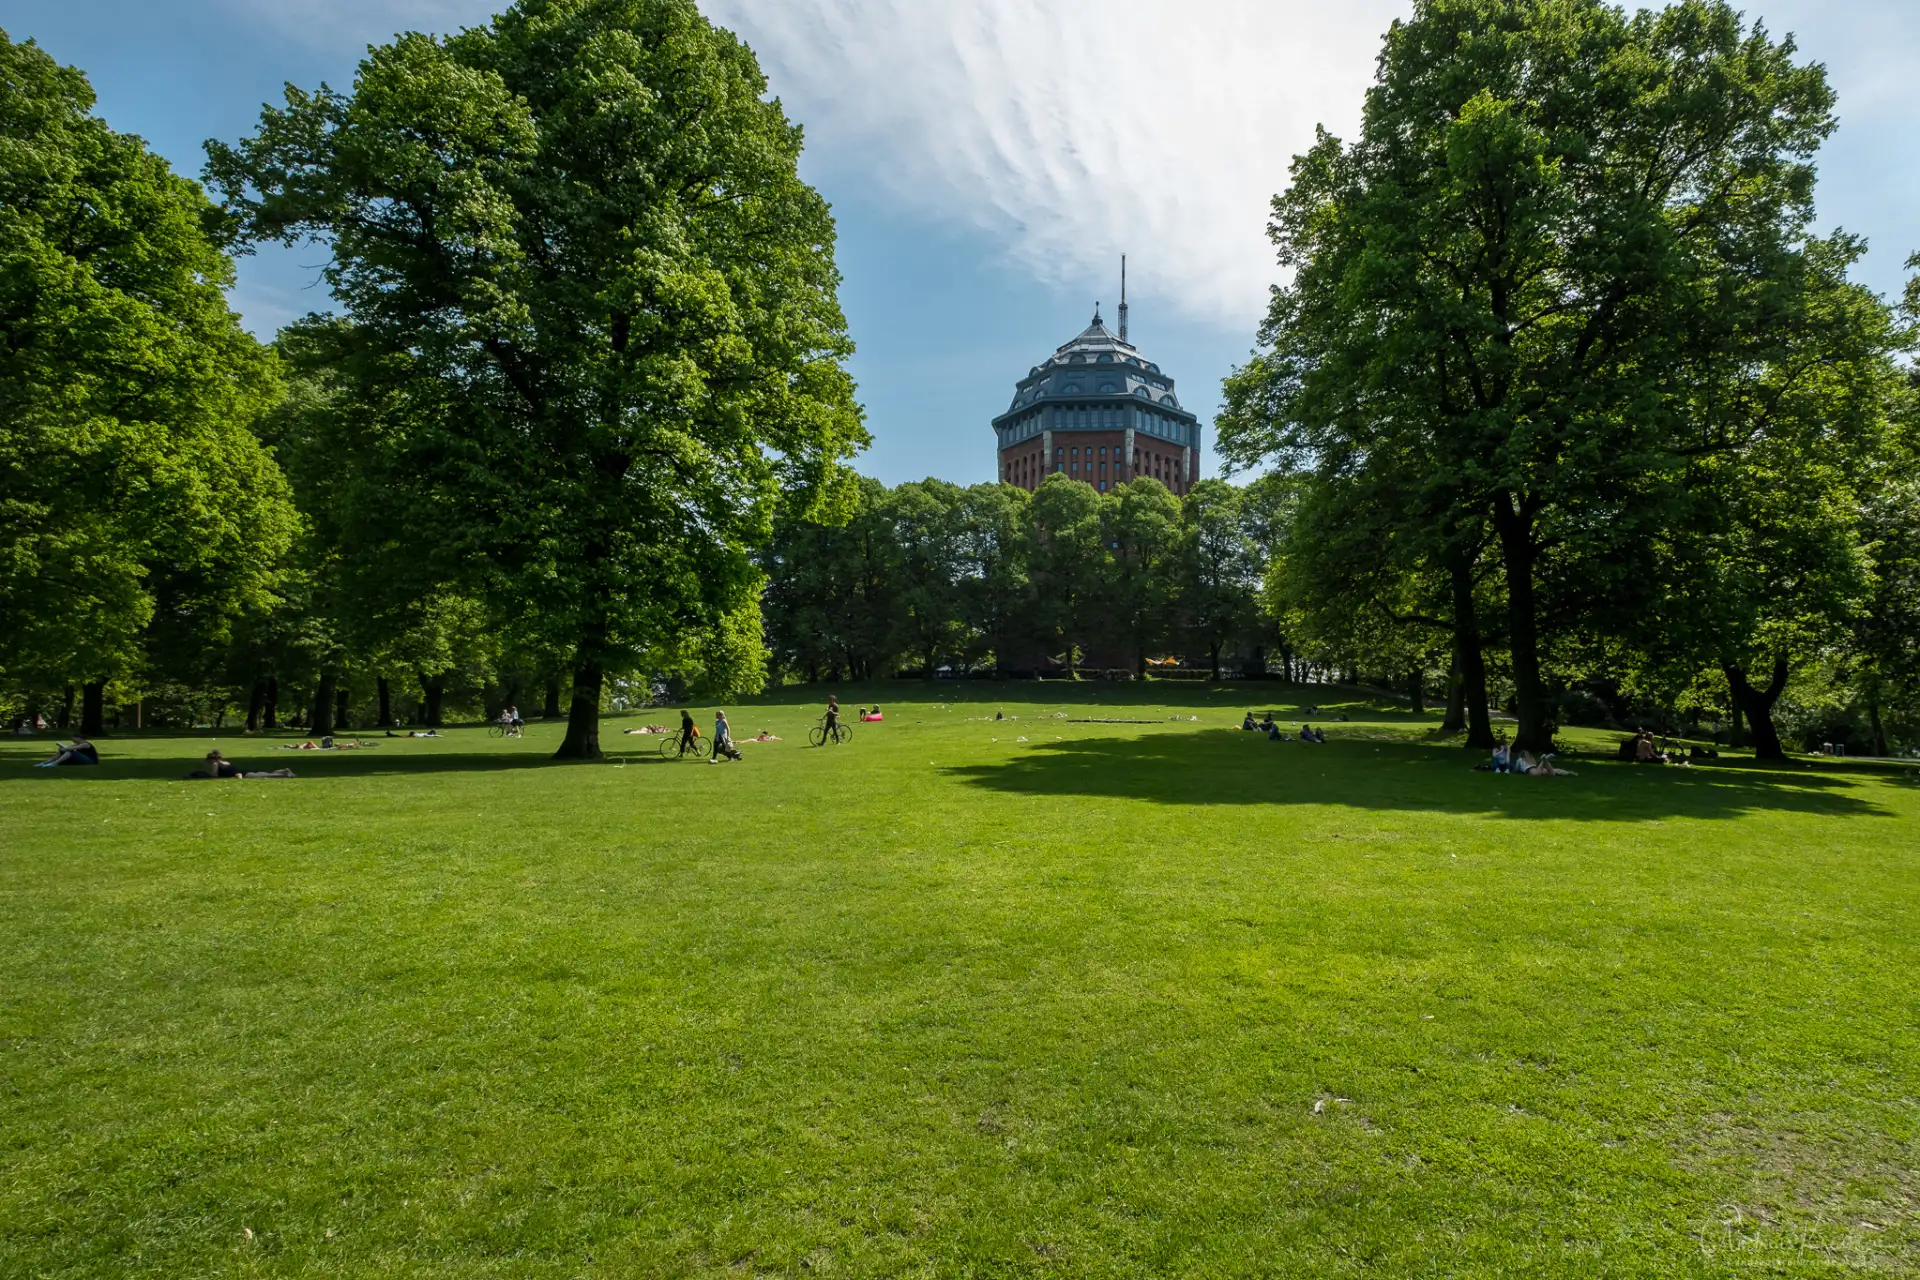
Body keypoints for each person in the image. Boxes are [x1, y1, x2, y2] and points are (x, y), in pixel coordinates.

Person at [194, 750, 295, 780]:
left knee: (267, 775)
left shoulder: (215, 765)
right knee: (266, 773)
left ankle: (286, 774)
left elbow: (215, 776)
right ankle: (284, 770)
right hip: (245, 771)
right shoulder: (226, 762)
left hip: (244, 774)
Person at [36, 734, 100, 767]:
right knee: (62, 752)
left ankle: (54, 763)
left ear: (79, 738)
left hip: (91, 761)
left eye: (74, 739)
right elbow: (69, 747)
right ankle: (46, 763)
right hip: (83, 759)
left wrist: (64, 748)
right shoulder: (77, 744)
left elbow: (72, 749)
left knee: (69, 751)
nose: (73, 741)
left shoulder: (85, 744)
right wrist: (62, 749)